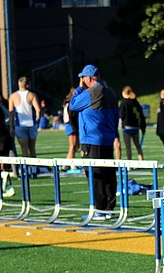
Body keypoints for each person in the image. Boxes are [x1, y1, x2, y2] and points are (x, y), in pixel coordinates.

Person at [68, 64, 121, 220]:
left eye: (83, 77)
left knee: (95, 175)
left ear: (89, 78)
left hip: (91, 140)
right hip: (107, 139)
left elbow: (73, 105)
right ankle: (109, 208)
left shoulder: (91, 93)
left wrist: (79, 89)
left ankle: (100, 209)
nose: (82, 80)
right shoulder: (110, 92)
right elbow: (116, 116)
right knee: (109, 174)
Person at [8, 77, 42, 159]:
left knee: (24, 150)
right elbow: (38, 110)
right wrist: (37, 121)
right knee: (32, 149)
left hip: (20, 125)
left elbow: (11, 112)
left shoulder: (13, 96)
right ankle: (34, 168)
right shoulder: (31, 95)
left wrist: (11, 127)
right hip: (31, 124)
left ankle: (26, 169)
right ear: (27, 85)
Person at [119, 85, 146, 160]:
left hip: (127, 128)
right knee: (137, 145)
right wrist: (143, 126)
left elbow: (121, 114)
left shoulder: (124, 103)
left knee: (128, 147)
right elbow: (141, 114)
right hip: (135, 127)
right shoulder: (135, 102)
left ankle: (129, 163)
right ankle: (141, 161)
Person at [62, 87, 80, 161]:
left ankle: (70, 160)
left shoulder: (73, 102)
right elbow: (71, 116)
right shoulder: (70, 102)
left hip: (74, 124)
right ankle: (69, 163)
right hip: (70, 124)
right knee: (73, 145)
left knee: (76, 146)